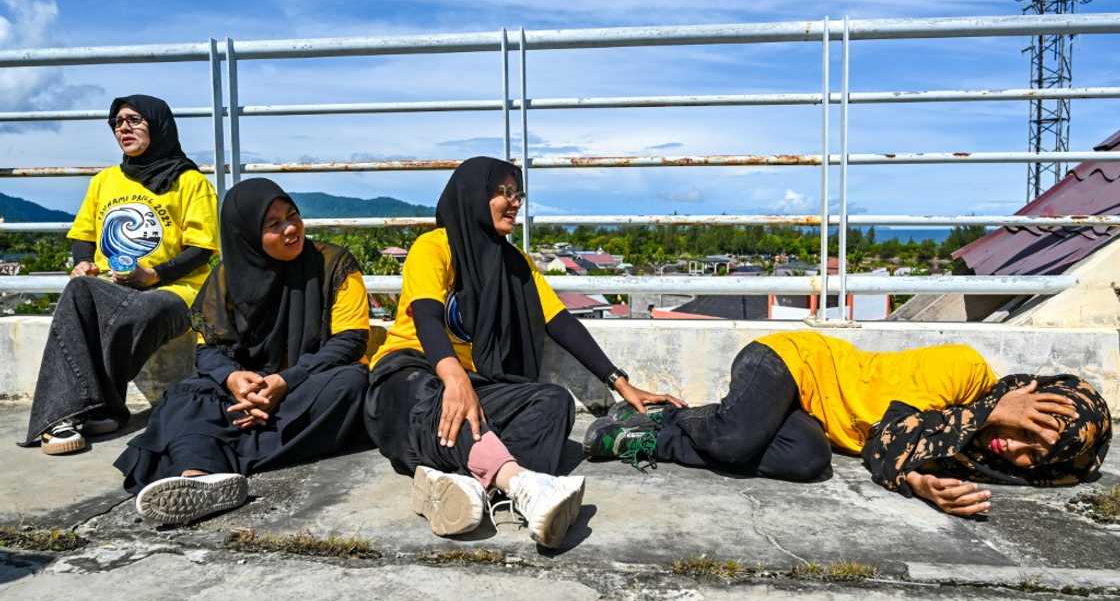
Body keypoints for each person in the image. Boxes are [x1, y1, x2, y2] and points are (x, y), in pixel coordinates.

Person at [365, 156, 682, 549]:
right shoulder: (434, 247)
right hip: (409, 374)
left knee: (553, 402)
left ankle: (462, 487)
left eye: (518, 194)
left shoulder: (516, 265)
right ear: (473, 196)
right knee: (434, 398)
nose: (514, 202)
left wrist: (620, 382)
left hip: (473, 381)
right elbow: (428, 316)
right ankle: (523, 485)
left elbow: (561, 323)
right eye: (503, 193)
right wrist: (452, 376)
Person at [585, 331, 1111, 516]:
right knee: (734, 439)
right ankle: (665, 422)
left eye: (1036, 454)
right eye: (1028, 424)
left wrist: (919, 480)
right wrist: (990, 411)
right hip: (790, 361)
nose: (1015, 446)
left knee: (808, 462)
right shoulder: (963, 369)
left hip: (810, 414)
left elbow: (900, 455)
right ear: (1024, 390)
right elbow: (889, 437)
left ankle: (659, 430)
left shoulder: (967, 445)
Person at [114, 178, 371, 525]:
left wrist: (285, 381)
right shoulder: (225, 278)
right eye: (274, 224)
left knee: (351, 383)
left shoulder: (334, 264)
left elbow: (350, 340)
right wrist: (234, 379)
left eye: (292, 216)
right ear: (246, 234)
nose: (291, 229)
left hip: (306, 383)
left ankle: (208, 460)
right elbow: (208, 352)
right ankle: (198, 477)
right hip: (248, 388)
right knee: (185, 394)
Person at [21, 95, 219, 455]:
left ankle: (98, 407)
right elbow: (83, 236)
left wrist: (154, 275)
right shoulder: (104, 182)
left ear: (159, 125)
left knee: (147, 309)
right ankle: (62, 418)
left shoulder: (189, 182)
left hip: (175, 290)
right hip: (112, 285)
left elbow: (202, 249)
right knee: (79, 288)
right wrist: (84, 263)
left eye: (134, 120)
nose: (123, 128)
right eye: (116, 122)